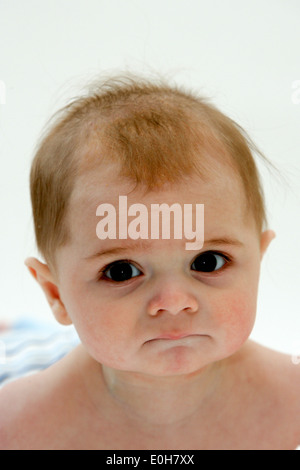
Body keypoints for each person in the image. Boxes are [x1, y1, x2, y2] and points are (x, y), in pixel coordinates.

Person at [0, 74, 299, 450]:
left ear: (258, 261)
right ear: (55, 293)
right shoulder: (19, 421)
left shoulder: (292, 400)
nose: (173, 301)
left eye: (208, 262)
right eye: (121, 271)